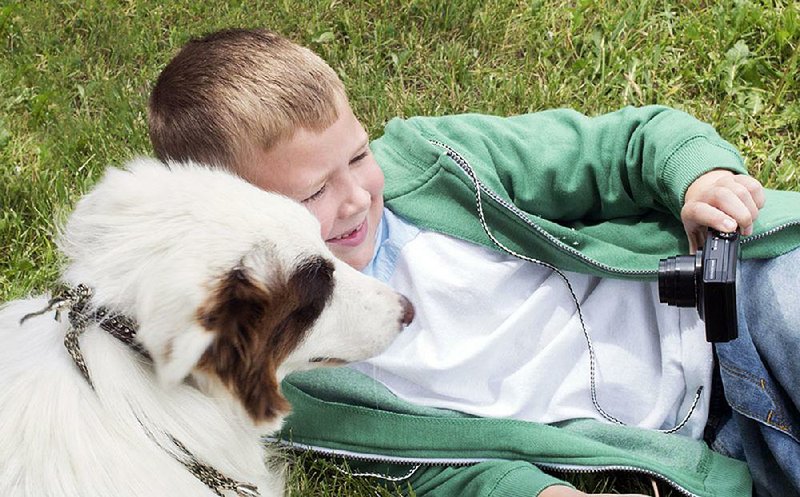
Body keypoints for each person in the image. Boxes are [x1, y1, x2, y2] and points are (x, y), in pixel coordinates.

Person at [148, 28, 800, 497]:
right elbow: (441, 463)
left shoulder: (437, 162)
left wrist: (699, 179)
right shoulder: (301, 384)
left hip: (735, 291)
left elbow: (622, 144)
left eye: (356, 156)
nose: (354, 199)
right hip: (713, 440)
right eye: (312, 193)